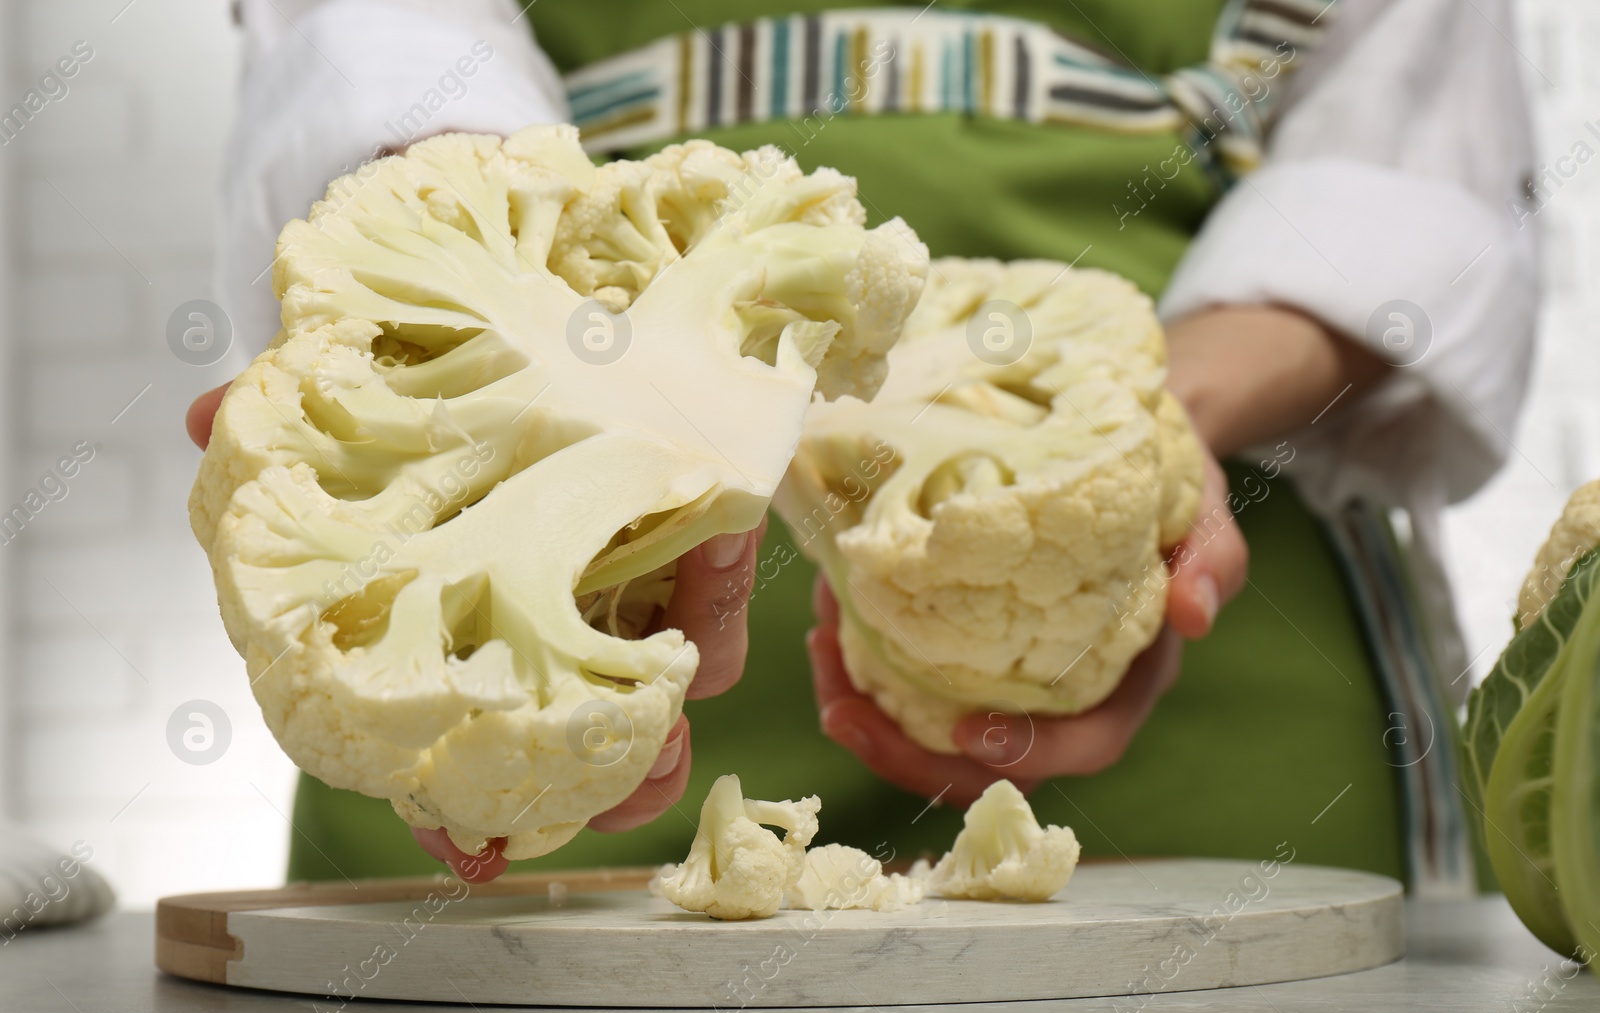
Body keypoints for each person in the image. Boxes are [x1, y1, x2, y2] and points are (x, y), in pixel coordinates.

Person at [190, 0, 1536, 891]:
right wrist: (501, 322)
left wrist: (1123, 443)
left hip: (1218, 711)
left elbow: (1409, 160)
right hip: (520, 625)